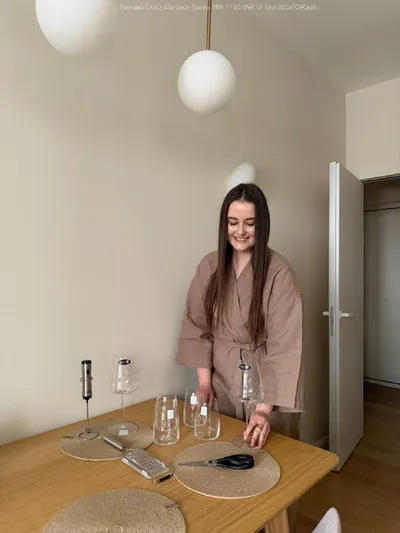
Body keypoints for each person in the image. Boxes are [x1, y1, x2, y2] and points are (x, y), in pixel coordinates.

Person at [176, 183, 303, 530]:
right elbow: (196, 325)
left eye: (249, 223)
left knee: (271, 470)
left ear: (262, 225)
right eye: (233, 222)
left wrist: (263, 409)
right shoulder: (209, 266)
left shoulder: (279, 272)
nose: (240, 231)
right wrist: (204, 383)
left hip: (267, 379)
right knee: (222, 463)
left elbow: (285, 345)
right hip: (222, 377)